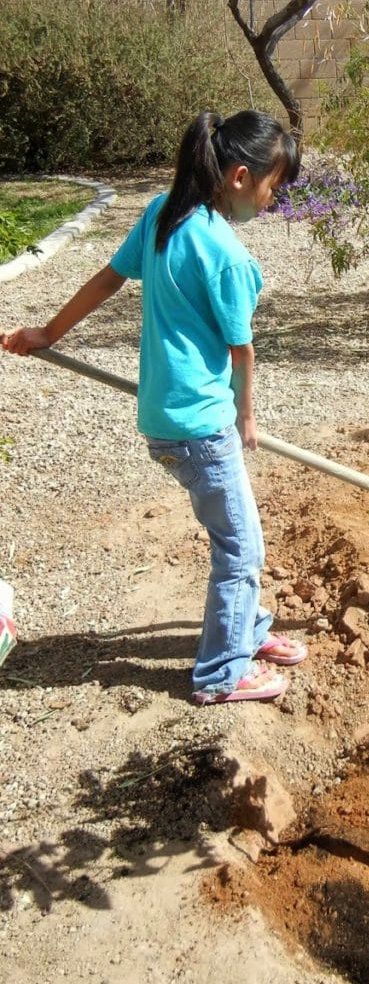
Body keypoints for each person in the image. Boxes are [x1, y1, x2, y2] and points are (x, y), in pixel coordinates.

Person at [2, 110, 307, 705]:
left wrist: (48, 331)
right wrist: (246, 418)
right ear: (241, 177)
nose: (274, 201)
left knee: (232, 531)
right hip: (202, 425)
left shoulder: (165, 216)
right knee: (242, 548)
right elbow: (242, 350)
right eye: (274, 187)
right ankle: (223, 670)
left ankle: (245, 627)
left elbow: (106, 280)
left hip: (166, 423)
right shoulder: (228, 257)